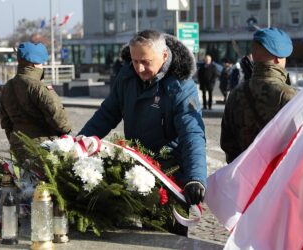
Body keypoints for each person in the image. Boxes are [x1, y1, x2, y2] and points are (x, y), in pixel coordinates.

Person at [78, 30, 207, 231]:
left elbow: (192, 133)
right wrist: (80, 143)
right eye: (135, 60)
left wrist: (195, 178)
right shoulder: (127, 77)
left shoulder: (180, 86)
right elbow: (107, 114)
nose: (139, 67)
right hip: (138, 170)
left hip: (170, 174)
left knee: (168, 237)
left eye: (146, 61)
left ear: (164, 56)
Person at [220, 28, 297, 163]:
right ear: (278, 58)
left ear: (254, 57)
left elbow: (227, 142)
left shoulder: (235, 93)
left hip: (243, 176)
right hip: (277, 177)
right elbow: (300, 144)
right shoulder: (288, 95)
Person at [0, 42, 72, 165]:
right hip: (42, 148)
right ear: (35, 63)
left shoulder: (7, 87)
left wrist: (16, 140)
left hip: (17, 146)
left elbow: (6, 123)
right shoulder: (39, 87)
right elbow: (60, 120)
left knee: (23, 181)